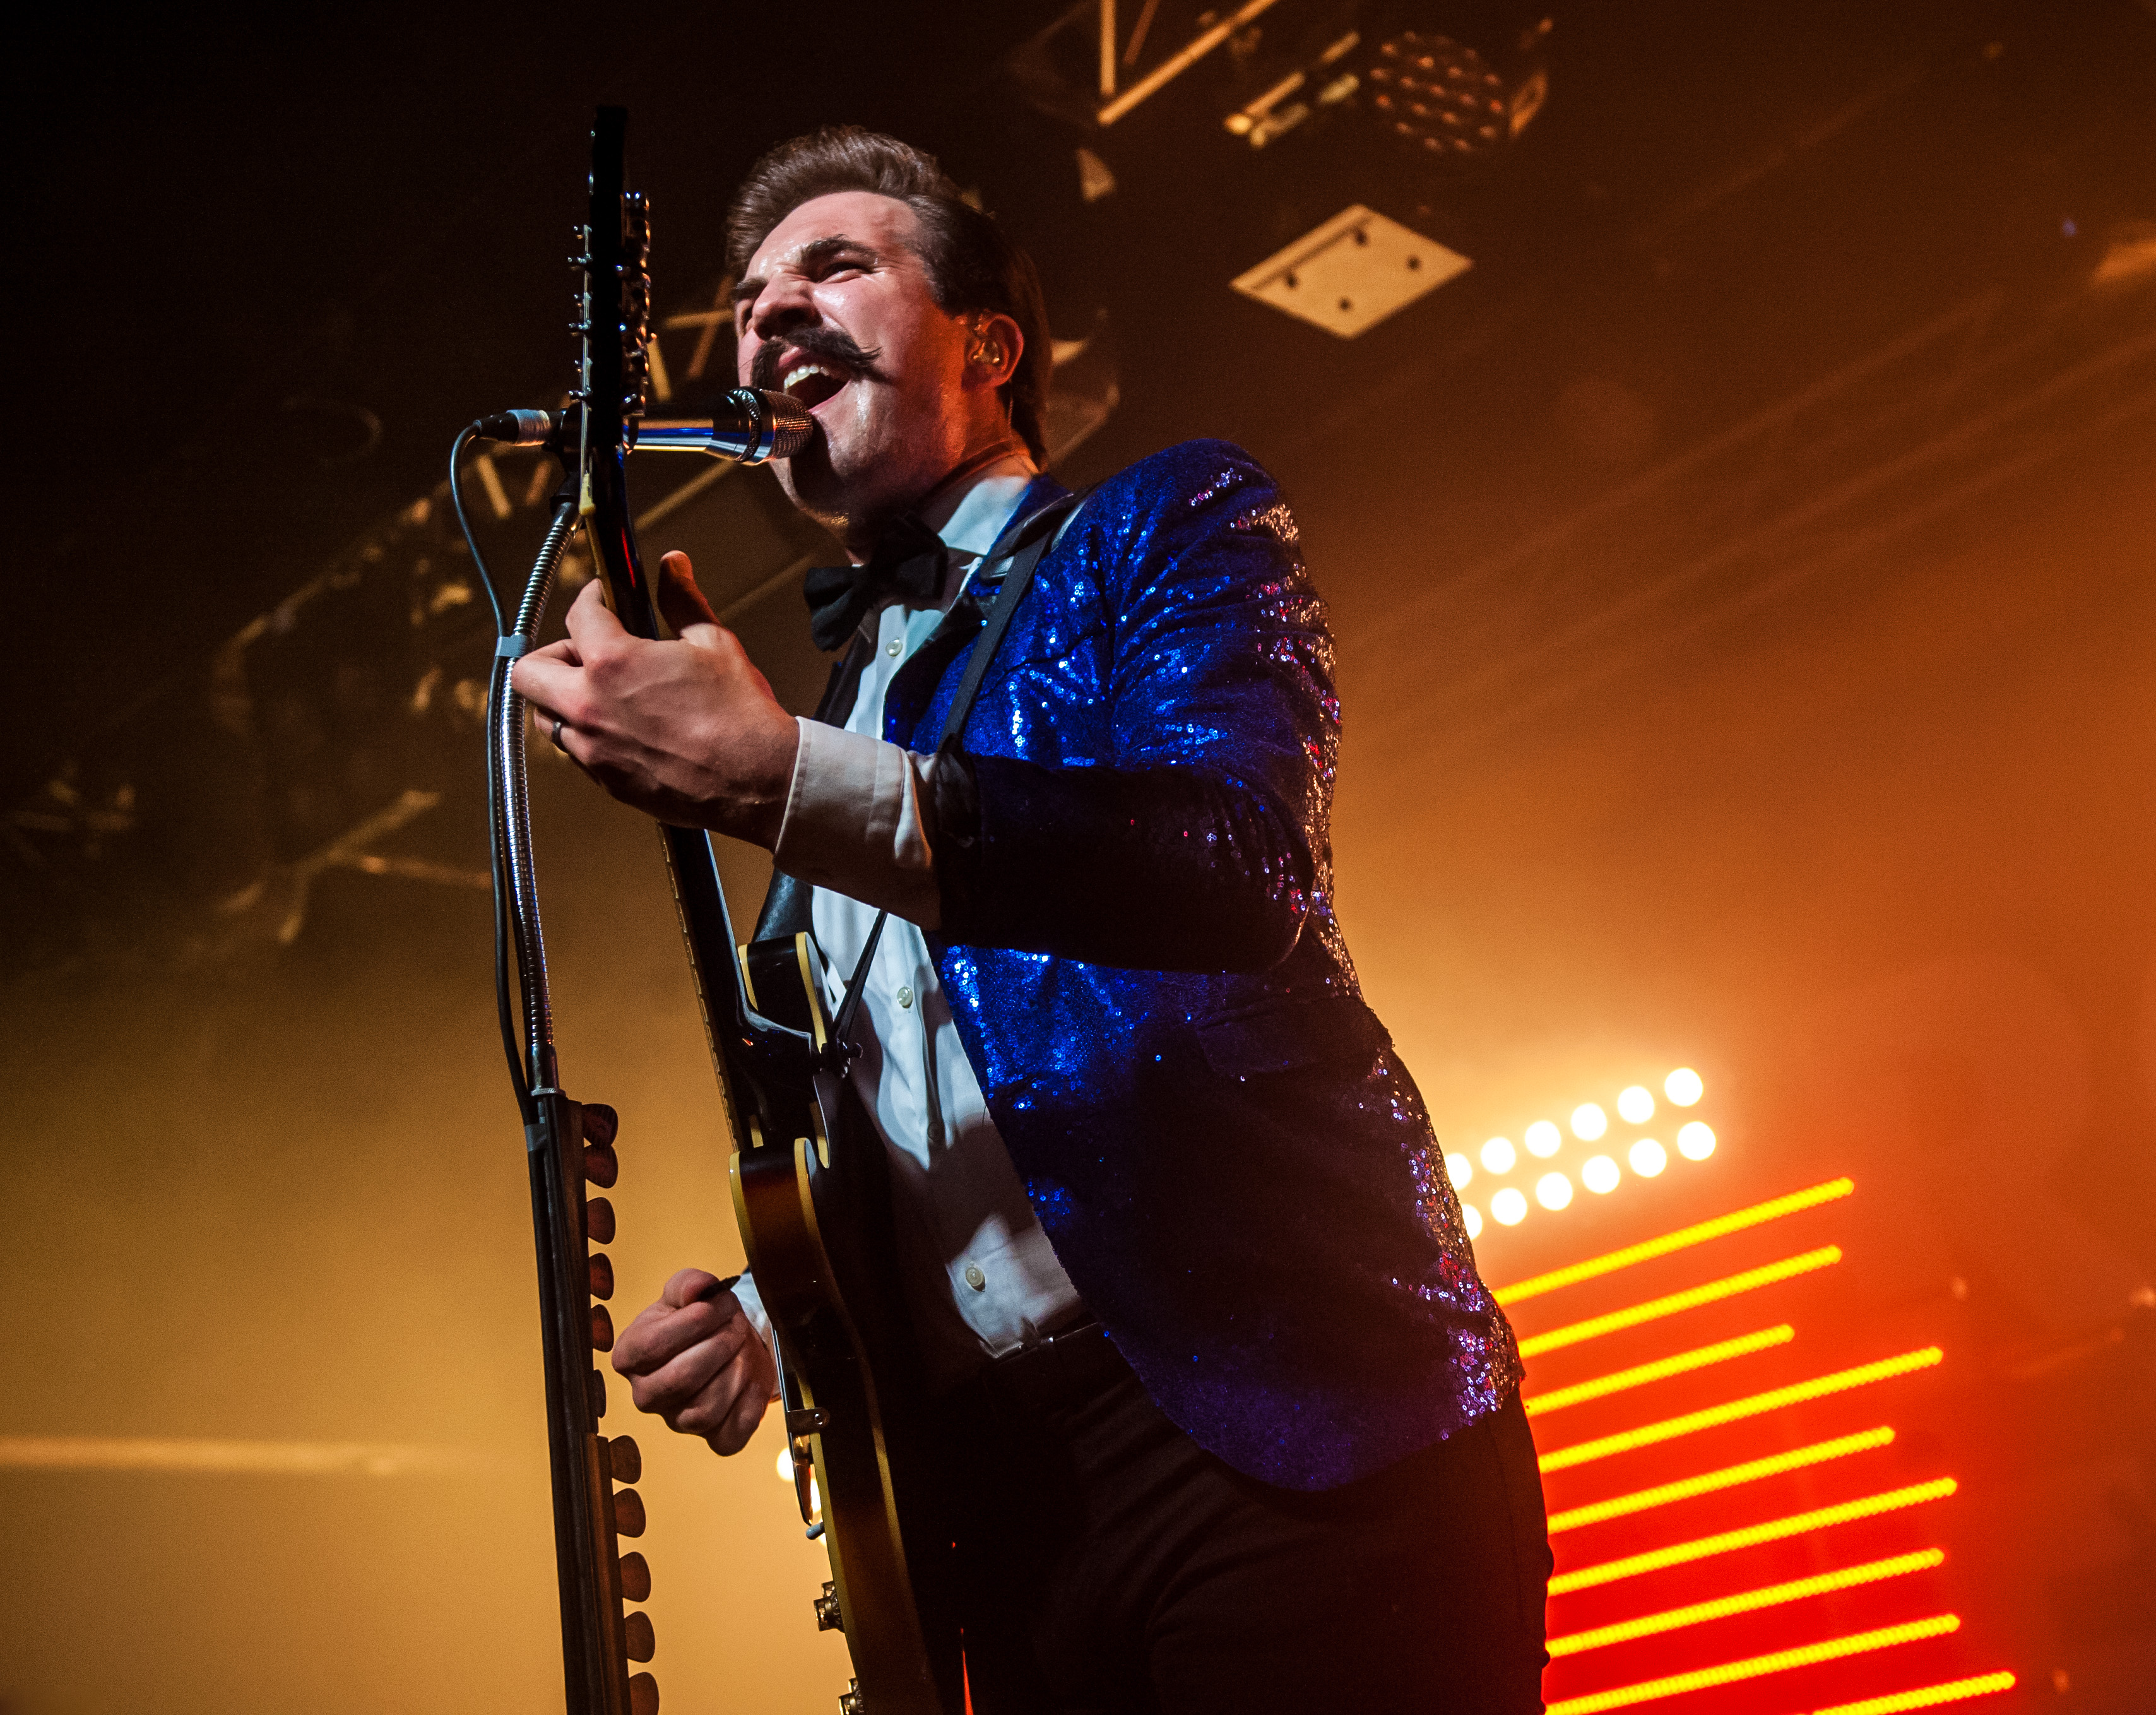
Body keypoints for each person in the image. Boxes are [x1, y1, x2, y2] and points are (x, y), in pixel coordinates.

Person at [512, 126, 1549, 1714]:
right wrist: (789, 1317)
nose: (771, 311)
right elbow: (936, 1126)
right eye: (751, 296)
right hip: (1011, 1522)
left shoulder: (1165, 520)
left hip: (1286, 1428)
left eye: (835, 267)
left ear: (989, 348)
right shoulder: (841, 714)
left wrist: (782, 777)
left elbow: (1237, 869)